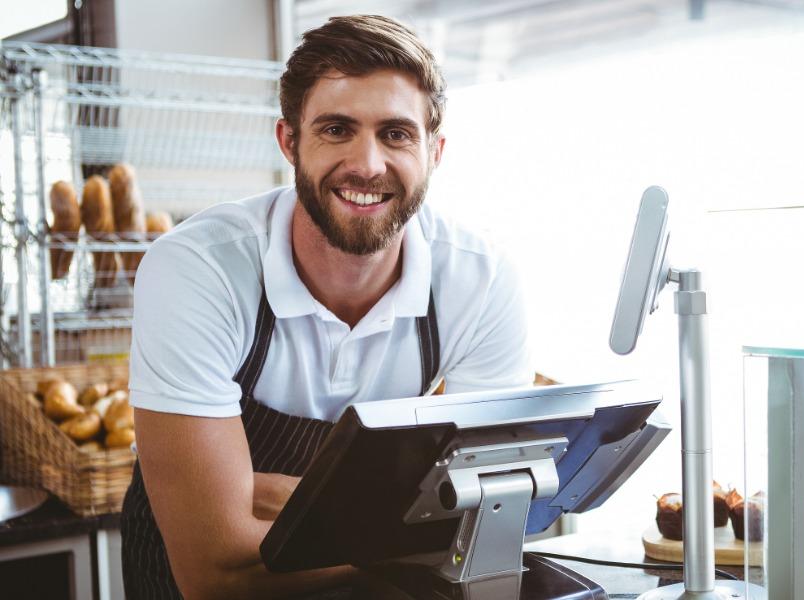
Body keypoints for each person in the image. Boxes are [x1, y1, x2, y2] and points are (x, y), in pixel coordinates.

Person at [120, 15, 532, 599]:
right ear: (289, 141)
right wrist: (415, 533)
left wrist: (251, 495)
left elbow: (489, 519)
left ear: (434, 152)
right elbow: (216, 571)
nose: (367, 164)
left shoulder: (480, 281)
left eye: (396, 133)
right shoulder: (197, 269)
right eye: (337, 129)